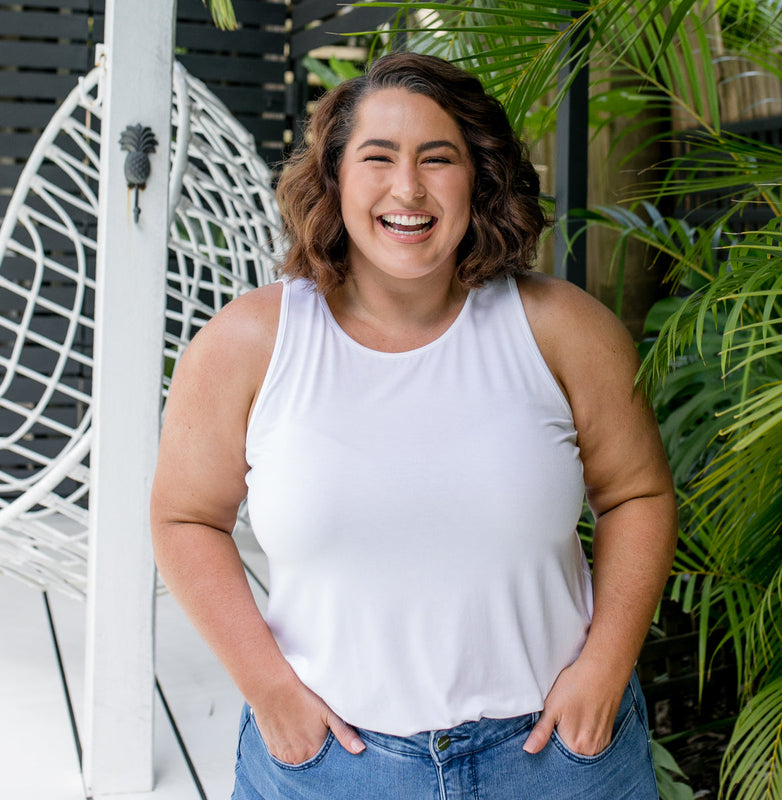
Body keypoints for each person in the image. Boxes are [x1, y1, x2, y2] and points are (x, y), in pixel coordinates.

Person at [150, 52, 678, 800]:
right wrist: (269, 691)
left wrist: (605, 667)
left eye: (439, 158)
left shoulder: (564, 329)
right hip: (328, 765)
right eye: (378, 158)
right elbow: (183, 519)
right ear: (334, 180)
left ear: (480, 178)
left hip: (559, 759)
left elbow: (638, 496)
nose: (409, 188)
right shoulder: (245, 345)